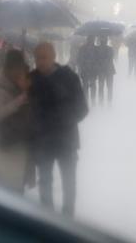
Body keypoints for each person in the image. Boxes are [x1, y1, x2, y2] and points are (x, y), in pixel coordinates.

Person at [29, 42, 88, 217]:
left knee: (69, 182)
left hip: (66, 140)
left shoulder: (69, 77)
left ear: (54, 57)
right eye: (37, 58)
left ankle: (67, 217)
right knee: (45, 181)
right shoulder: (31, 79)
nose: (40, 62)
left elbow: (82, 109)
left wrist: (62, 119)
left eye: (44, 57)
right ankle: (48, 218)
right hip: (42, 141)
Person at [0, 50, 33, 193]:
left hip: (17, 143)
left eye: (21, 69)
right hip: (2, 144)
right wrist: (19, 101)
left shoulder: (21, 82)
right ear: (9, 69)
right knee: (3, 189)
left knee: (16, 188)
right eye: (17, 69)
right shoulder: (0, 88)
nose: (19, 73)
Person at [77, 36, 98, 105]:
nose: (92, 41)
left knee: (90, 86)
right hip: (87, 70)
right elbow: (79, 60)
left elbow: (79, 60)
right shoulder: (83, 49)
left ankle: (91, 100)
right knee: (88, 86)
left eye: (93, 40)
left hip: (90, 70)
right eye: (91, 40)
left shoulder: (83, 48)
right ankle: (88, 101)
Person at [96, 35, 116, 106]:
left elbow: (96, 60)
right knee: (109, 87)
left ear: (100, 41)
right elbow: (112, 57)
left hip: (101, 70)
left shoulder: (97, 49)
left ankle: (101, 102)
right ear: (106, 41)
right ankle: (109, 102)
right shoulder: (110, 49)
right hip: (109, 70)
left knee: (101, 87)